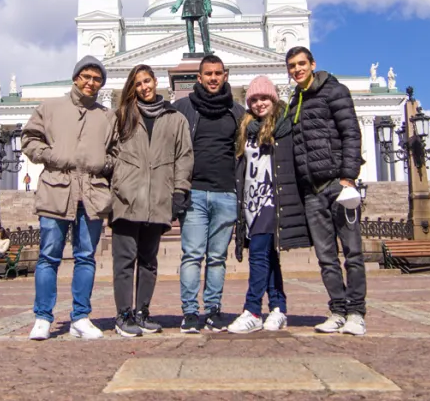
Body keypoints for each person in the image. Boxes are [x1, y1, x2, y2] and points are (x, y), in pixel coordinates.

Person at [22, 55, 116, 341]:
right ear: (76, 77)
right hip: (57, 188)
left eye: (97, 79)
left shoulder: (106, 116)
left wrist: (104, 163)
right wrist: (53, 156)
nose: (91, 83)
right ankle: (43, 317)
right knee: (49, 256)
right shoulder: (50, 107)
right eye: (86, 76)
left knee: (86, 257)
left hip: (92, 193)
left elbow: (117, 151)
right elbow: (29, 139)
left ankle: (80, 317)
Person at [285, 46, 367, 336]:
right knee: (326, 257)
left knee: (353, 253)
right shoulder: (294, 100)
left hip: (337, 185)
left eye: (301, 64)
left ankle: (356, 313)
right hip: (312, 191)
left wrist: (348, 176)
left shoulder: (335, 91)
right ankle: (337, 310)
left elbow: (351, 133)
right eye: (292, 66)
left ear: (312, 64)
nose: (297, 69)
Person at [110, 65, 193, 337]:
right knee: (125, 260)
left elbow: (184, 156)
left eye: (147, 81)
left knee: (148, 261)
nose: (144, 87)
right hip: (127, 199)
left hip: (158, 199)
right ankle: (124, 315)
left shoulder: (175, 118)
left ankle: (142, 312)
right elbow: (108, 151)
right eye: (138, 83)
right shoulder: (121, 116)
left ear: (156, 82)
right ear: (132, 88)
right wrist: (120, 176)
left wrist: (179, 190)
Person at [229, 76, 310, 334]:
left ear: (273, 99)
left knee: (259, 254)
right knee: (270, 257)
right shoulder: (245, 129)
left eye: (264, 98)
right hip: (250, 202)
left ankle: (252, 310)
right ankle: (278, 308)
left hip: (271, 200)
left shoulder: (284, 128)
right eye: (254, 99)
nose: (259, 103)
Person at [173, 55, 245, 333]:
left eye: (218, 73)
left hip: (226, 194)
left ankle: (213, 309)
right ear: (199, 78)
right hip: (195, 193)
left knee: (217, 257)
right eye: (208, 74)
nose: (213, 78)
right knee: (192, 254)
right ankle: (190, 312)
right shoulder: (182, 108)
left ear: (225, 75)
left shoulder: (237, 112)